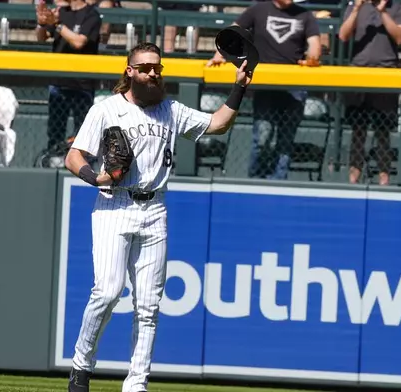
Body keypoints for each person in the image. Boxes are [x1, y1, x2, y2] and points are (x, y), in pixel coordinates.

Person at [63, 42, 252, 392]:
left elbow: (218, 124)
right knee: (107, 292)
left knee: (148, 306)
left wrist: (239, 85)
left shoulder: (171, 110)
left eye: (157, 68)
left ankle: (136, 384)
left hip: (154, 210)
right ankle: (81, 366)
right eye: (146, 67)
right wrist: (95, 177)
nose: (153, 73)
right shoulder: (106, 110)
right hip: (114, 205)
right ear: (129, 71)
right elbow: (74, 156)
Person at [207, 0, 321, 180]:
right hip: (265, 85)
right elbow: (232, 32)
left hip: (294, 86)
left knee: (285, 141)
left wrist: (313, 56)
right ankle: (256, 180)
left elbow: (315, 44)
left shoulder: (305, 15)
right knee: (262, 138)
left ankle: (278, 182)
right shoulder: (258, 9)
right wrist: (219, 55)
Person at [338, 0, 401, 185]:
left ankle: (384, 176)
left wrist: (383, 12)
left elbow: (400, 37)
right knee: (358, 130)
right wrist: (357, 9)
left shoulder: (397, 7)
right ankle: (354, 175)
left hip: (386, 73)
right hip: (359, 73)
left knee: (383, 130)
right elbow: (343, 35)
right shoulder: (355, 5)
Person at [35, 0, 102, 150]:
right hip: (59, 83)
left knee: (82, 134)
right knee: (55, 134)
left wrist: (57, 25)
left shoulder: (91, 15)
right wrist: (42, 24)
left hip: (82, 85)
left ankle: (81, 168)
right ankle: (53, 161)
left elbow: (79, 42)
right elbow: (41, 37)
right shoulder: (61, 12)